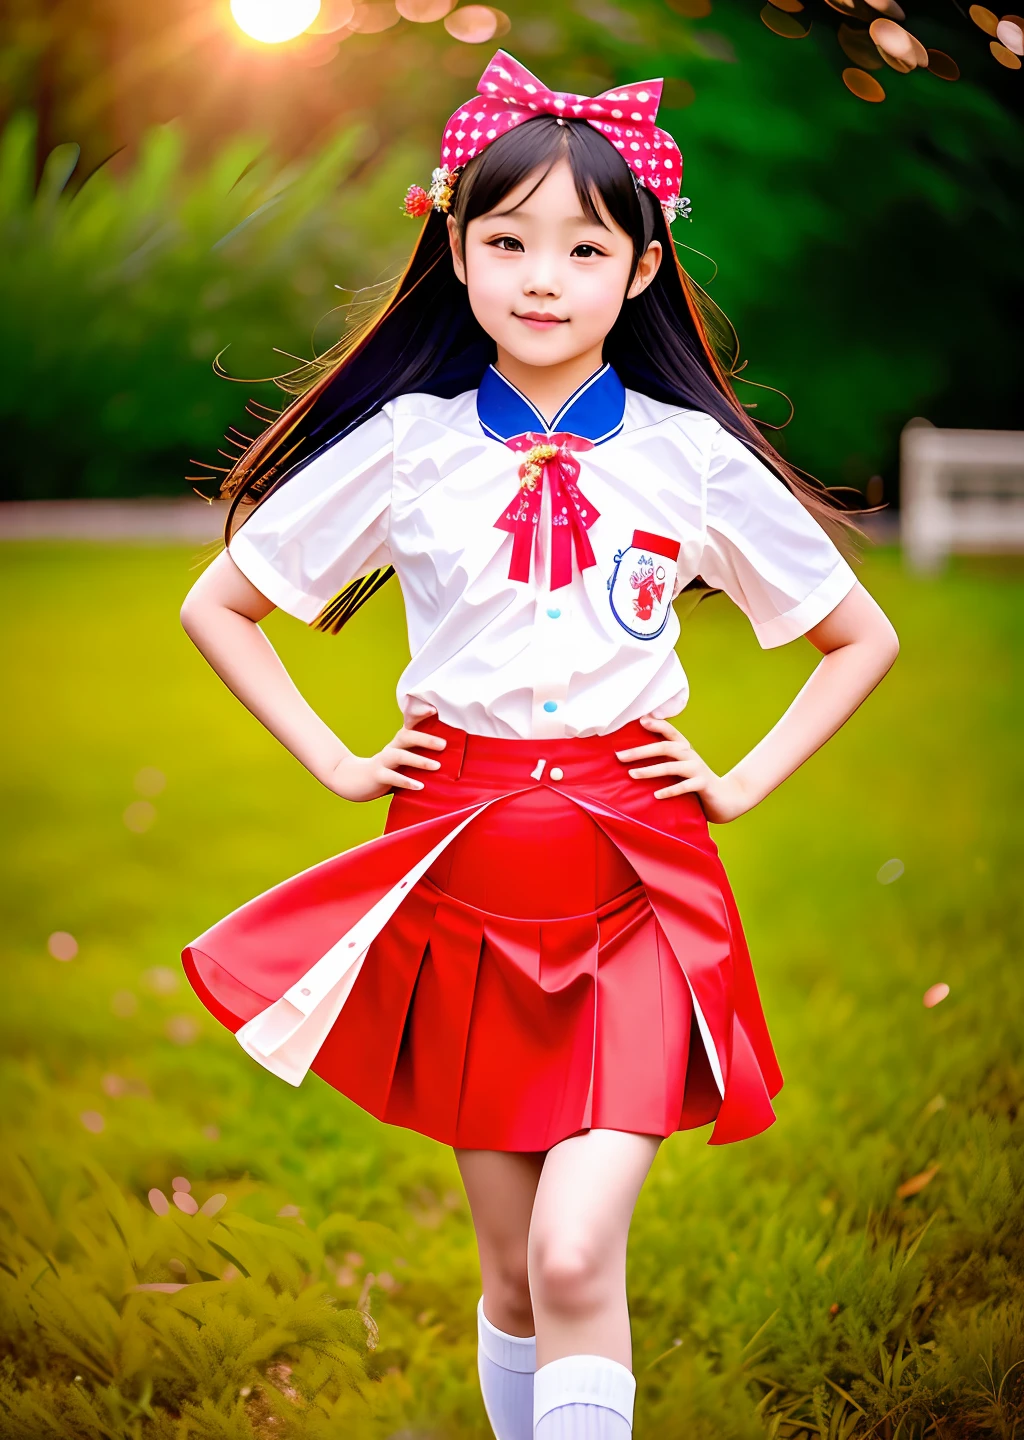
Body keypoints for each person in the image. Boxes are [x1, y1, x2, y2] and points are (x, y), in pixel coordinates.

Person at [179, 50, 899, 1440]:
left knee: (579, 1255)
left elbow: (856, 635)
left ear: (639, 272)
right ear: (455, 253)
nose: (541, 275)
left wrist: (739, 782)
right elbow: (224, 603)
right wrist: (337, 761)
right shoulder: (410, 446)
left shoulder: (688, 459)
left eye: (583, 244)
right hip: (462, 869)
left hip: (633, 877)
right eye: (505, 241)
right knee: (514, 1274)